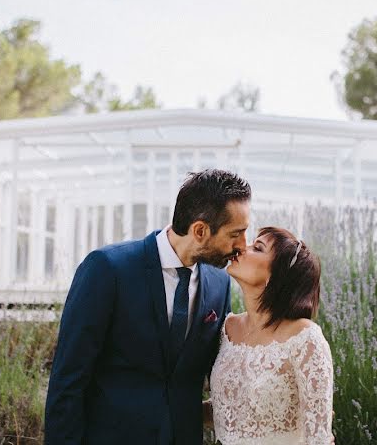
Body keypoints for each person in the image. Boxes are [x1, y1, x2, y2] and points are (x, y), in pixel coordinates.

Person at [44, 169, 252, 445]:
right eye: (236, 234)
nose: (243, 245)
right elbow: (68, 379)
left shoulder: (219, 283)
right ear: (200, 230)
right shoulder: (108, 269)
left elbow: (220, 372)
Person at [210, 226, 335, 445]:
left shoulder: (306, 339)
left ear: (276, 277)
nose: (241, 248)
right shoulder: (228, 328)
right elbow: (228, 412)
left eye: (257, 248)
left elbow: (319, 438)